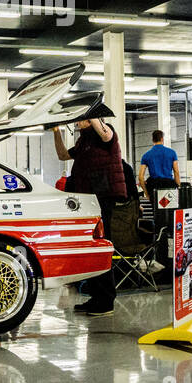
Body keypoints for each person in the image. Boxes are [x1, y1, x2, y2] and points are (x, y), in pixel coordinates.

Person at [53, 117, 125, 316]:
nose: (77, 122)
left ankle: (106, 300)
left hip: (103, 196)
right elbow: (61, 155)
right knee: (91, 247)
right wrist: (56, 131)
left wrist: (91, 113)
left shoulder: (107, 132)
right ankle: (96, 296)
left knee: (101, 246)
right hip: (88, 198)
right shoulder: (84, 141)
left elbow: (104, 134)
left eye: (81, 119)